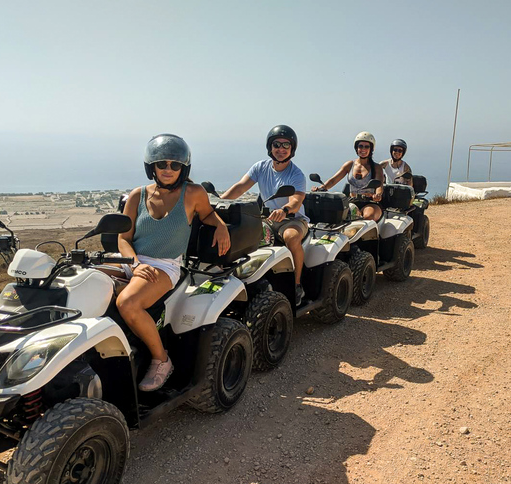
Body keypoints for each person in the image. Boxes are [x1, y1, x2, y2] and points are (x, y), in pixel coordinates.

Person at [116, 134, 230, 392]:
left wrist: (221, 226)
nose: (168, 169)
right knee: (81, 280)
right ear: (152, 167)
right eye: (162, 164)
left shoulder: (194, 193)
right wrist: (134, 264)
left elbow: (209, 215)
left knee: (128, 303)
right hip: (131, 260)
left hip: (165, 265)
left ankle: (161, 359)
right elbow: (123, 239)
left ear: (183, 168)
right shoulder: (137, 195)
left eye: (174, 165)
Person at [220, 125, 308, 306]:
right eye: (277, 144)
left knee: (291, 237)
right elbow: (240, 187)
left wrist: (284, 210)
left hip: (292, 220)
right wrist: (219, 202)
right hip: (267, 219)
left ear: (292, 149)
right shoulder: (260, 167)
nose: (281, 149)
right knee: (240, 235)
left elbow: (296, 201)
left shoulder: (296, 174)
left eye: (286, 145)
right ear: (270, 147)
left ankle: (297, 284)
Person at [312, 132, 384, 221]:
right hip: (352, 202)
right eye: (360, 146)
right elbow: (333, 180)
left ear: (371, 149)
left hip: (370, 202)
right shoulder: (349, 165)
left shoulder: (377, 167)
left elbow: (379, 184)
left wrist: (378, 194)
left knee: (368, 216)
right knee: (336, 217)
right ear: (356, 148)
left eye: (366, 146)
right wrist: (321, 188)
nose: (363, 149)